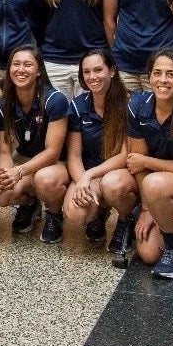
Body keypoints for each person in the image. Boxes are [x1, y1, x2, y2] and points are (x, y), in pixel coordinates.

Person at [101, 49, 173, 276]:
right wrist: (146, 208)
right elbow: (136, 163)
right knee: (149, 254)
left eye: (171, 74)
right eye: (157, 73)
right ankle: (163, 221)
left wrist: (148, 162)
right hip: (156, 188)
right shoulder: (137, 106)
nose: (163, 80)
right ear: (150, 77)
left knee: (155, 183)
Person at [0, 46, 71, 243]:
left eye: (28, 64)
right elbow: (4, 150)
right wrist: (5, 173)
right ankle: (29, 203)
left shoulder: (55, 100)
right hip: (25, 159)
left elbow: (53, 152)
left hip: (56, 163)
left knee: (45, 180)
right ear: (9, 70)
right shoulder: (3, 104)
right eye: (16, 64)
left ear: (39, 71)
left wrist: (19, 172)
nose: (21, 69)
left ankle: (54, 214)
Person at [63, 49, 130, 244]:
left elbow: (125, 155)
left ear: (112, 71)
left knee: (113, 186)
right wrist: (82, 181)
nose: (92, 77)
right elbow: (74, 155)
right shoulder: (78, 106)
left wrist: (89, 176)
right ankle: (98, 215)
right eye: (86, 72)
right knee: (74, 212)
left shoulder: (129, 104)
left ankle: (126, 220)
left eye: (98, 70)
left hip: (120, 173)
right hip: (89, 172)